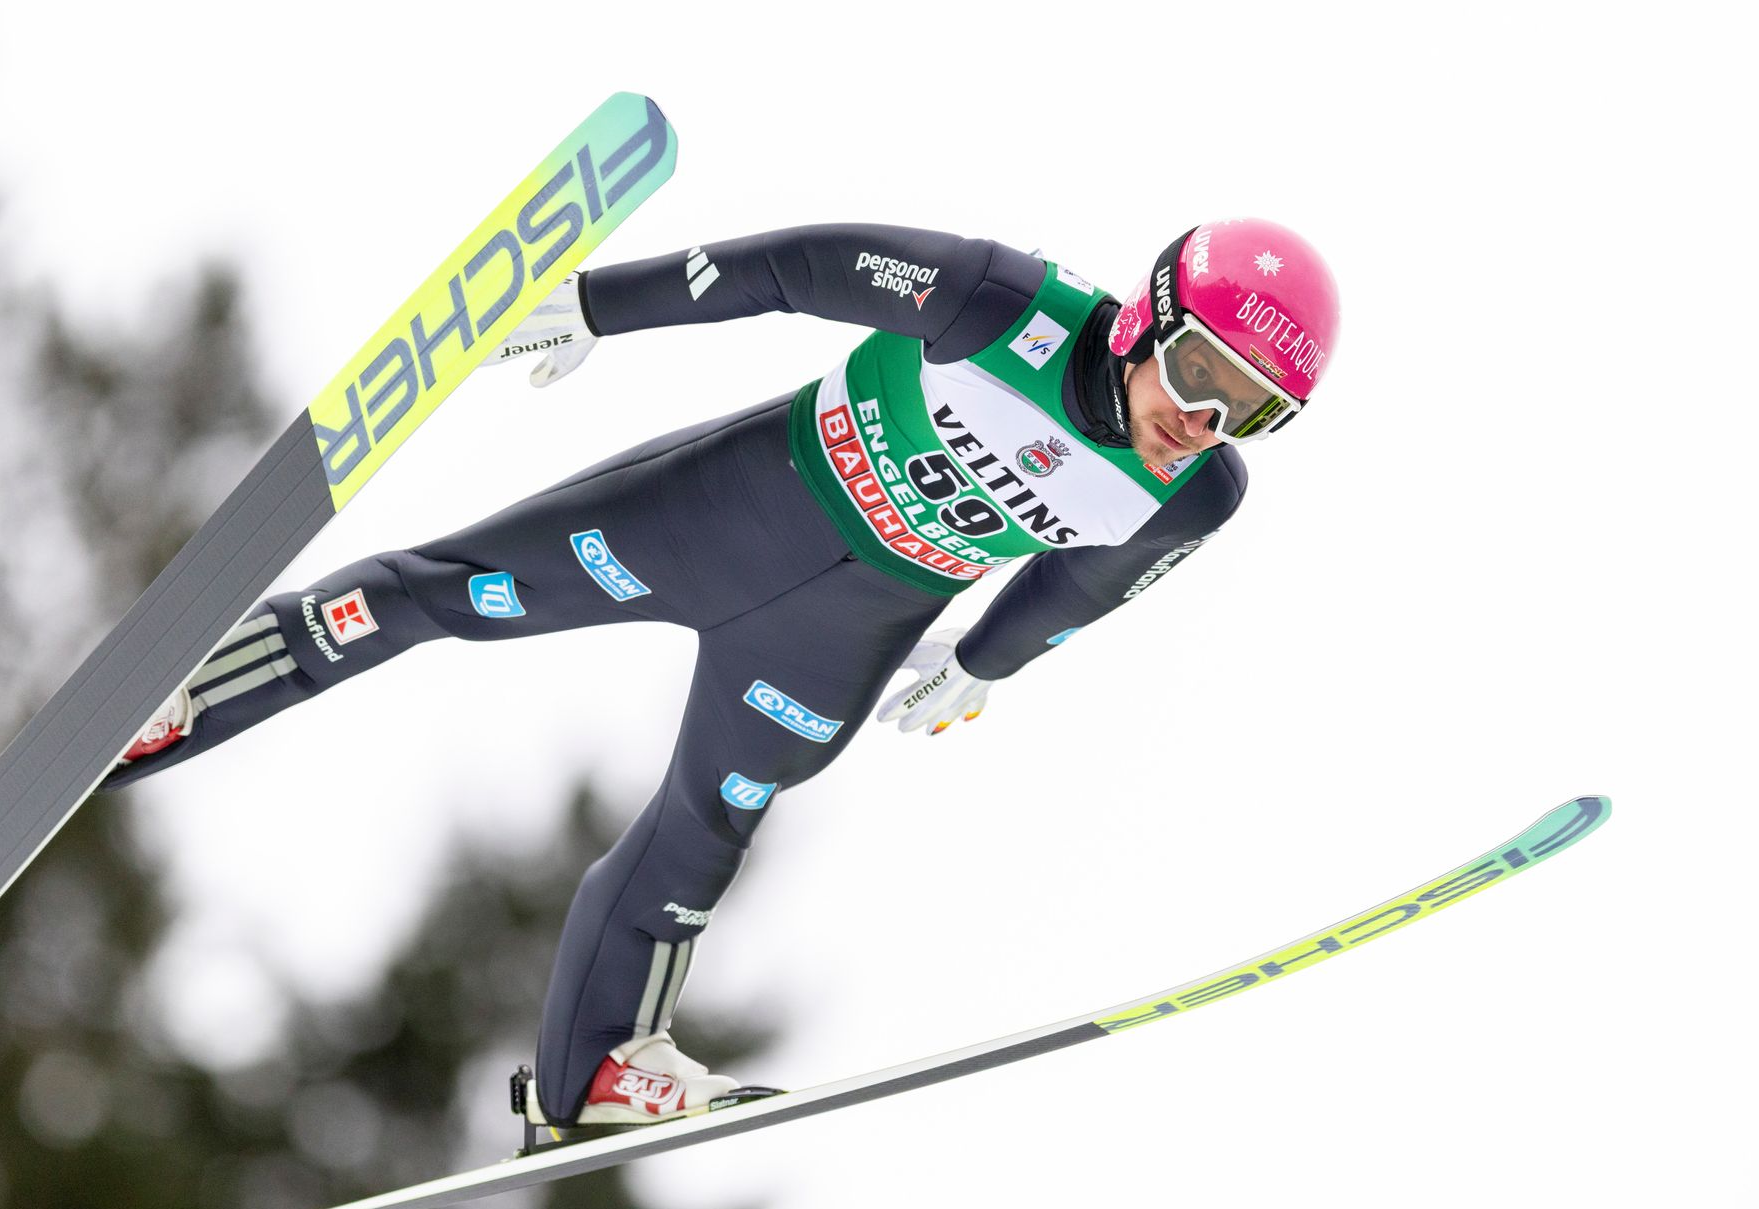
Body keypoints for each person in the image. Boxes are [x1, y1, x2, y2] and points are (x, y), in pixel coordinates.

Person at [105, 218, 1341, 1146]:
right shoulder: (1001, 305)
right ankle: (186, 694)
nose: (1201, 420)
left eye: (1248, 411)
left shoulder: (1195, 493)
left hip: (832, 638)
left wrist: (980, 662)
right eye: (1199, 372)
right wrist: (598, 305)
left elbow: (1080, 584)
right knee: (440, 593)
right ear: (1144, 320)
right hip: (720, 514)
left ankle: (594, 1071)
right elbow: (791, 269)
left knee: (708, 825)